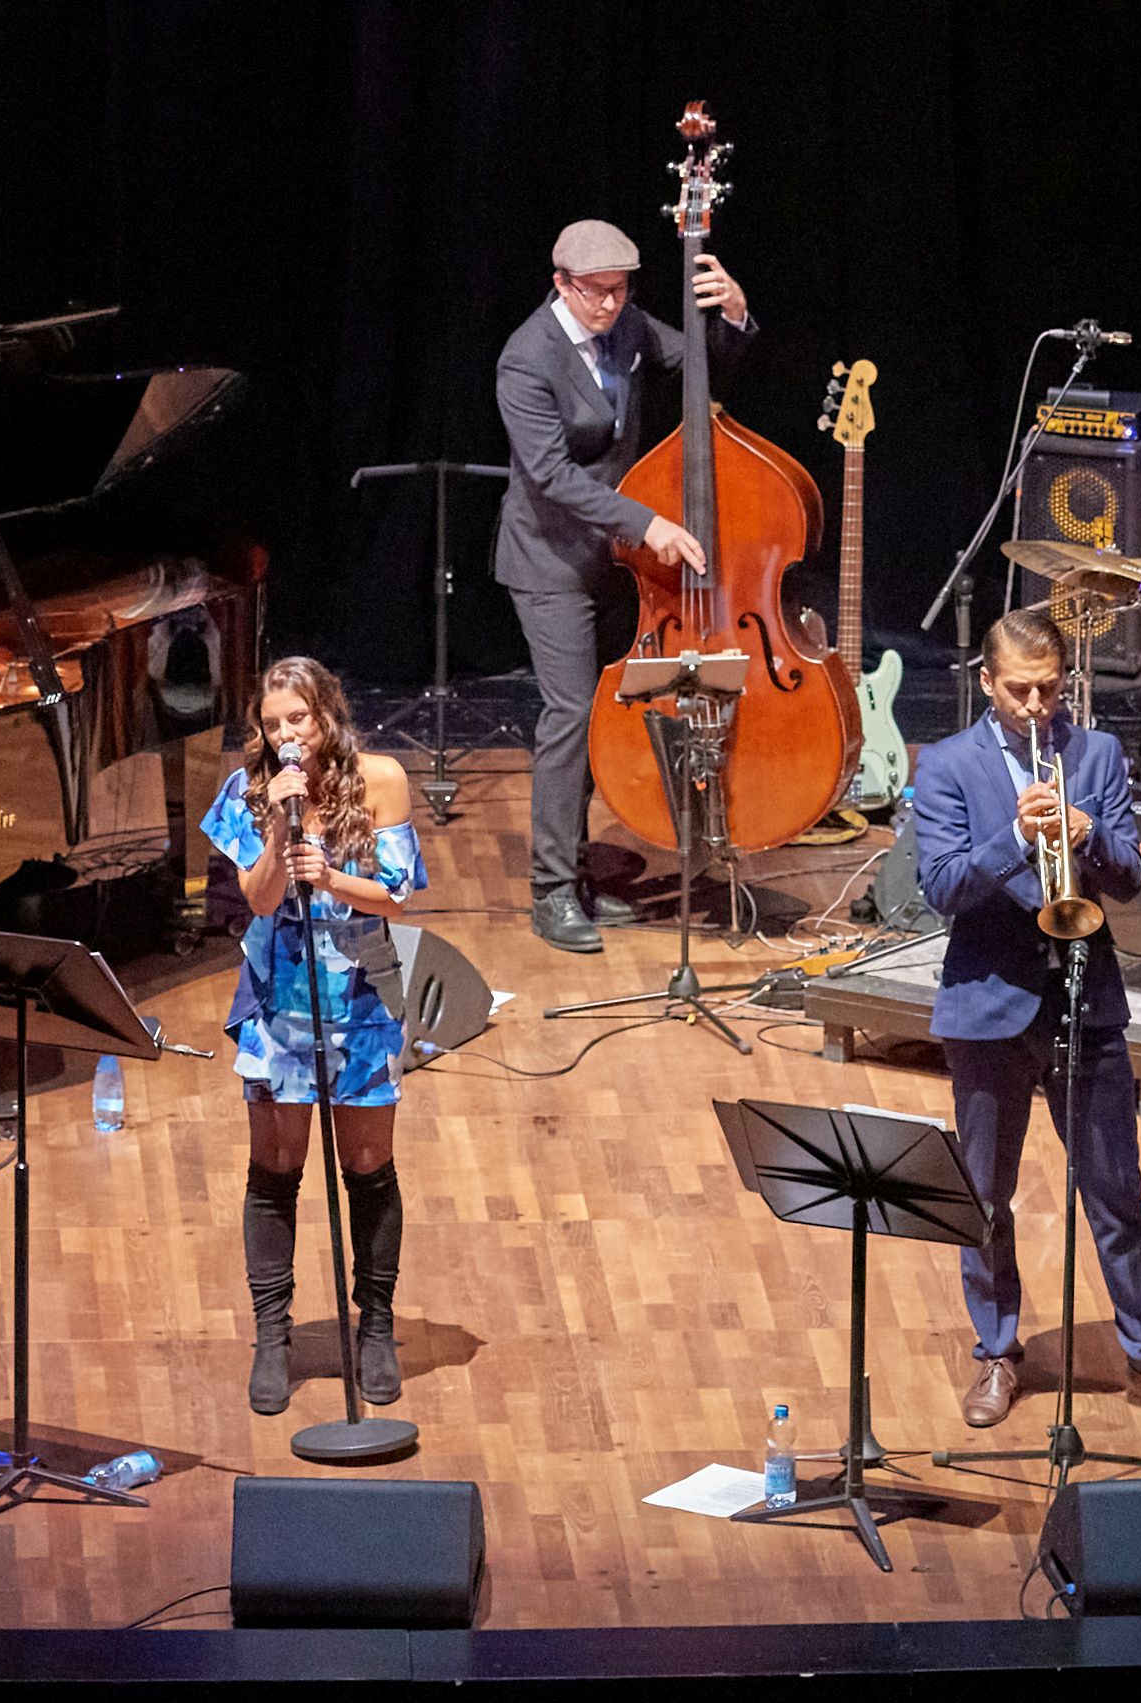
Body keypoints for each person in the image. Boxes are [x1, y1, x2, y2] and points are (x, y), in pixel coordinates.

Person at [907, 610, 1141, 1434]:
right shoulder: (946, 765)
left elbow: (1129, 880)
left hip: (1085, 1001)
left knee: (1118, 1194)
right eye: (1020, 690)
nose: (1037, 705)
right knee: (986, 1196)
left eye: (1050, 688)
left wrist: (1090, 833)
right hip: (988, 1005)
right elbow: (944, 888)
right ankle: (998, 1353)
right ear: (987, 682)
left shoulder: (1099, 755)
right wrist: (1018, 834)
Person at [492, 216, 754, 954]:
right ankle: (551, 890)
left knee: (610, 711)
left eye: (621, 290)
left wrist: (730, 310)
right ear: (561, 284)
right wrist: (650, 522)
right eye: (597, 293)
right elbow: (550, 476)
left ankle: (579, 875)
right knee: (570, 715)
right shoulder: (526, 358)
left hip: (617, 563)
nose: (612, 305)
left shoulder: (629, 325)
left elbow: (701, 359)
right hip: (549, 564)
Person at [196, 656, 430, 1413]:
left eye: (298, 718)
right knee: (275, 1163)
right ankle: (273, 1338)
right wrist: (275, 829)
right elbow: (260, 901)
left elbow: (395, 897)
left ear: (327, 712)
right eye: (272, 724)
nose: (286, 734)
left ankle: (378, 1327)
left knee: (368, 1160)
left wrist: (329, 877)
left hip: (358, 992)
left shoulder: (381, 779)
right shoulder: (249, 792)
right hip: (280, 992)